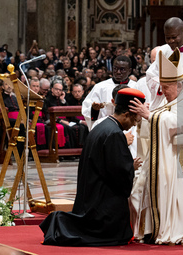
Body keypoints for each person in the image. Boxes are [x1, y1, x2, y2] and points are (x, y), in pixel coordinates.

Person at [40, 88, 146, 246]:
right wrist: (131, 166)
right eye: (134, 120)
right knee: (115, 236)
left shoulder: (102, 126)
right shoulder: (115, 134)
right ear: (126, 114)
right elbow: (118, 173)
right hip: (102, 206)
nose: (133, 125)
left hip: (91, 197)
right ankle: (60, 223)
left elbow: (107, 164)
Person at [129, 48, 183, 244]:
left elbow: (182, 123)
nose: (162, 92)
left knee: (155, 179)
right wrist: (147, 116)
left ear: (177, 84)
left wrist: (151, 115)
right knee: (138, 187)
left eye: (166, 88)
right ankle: (149, 229)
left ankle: (160, 229)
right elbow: (163, 119)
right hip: (173, 152)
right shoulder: (175, 99)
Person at [82, 55, 136, 130]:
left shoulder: (136, 87)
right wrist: (94, 110)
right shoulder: (100, 87)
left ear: (129, 71)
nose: (118, 72)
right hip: (106, 128)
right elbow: (87, 108)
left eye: (122, 69)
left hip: (130, 129)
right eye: (115, 68)